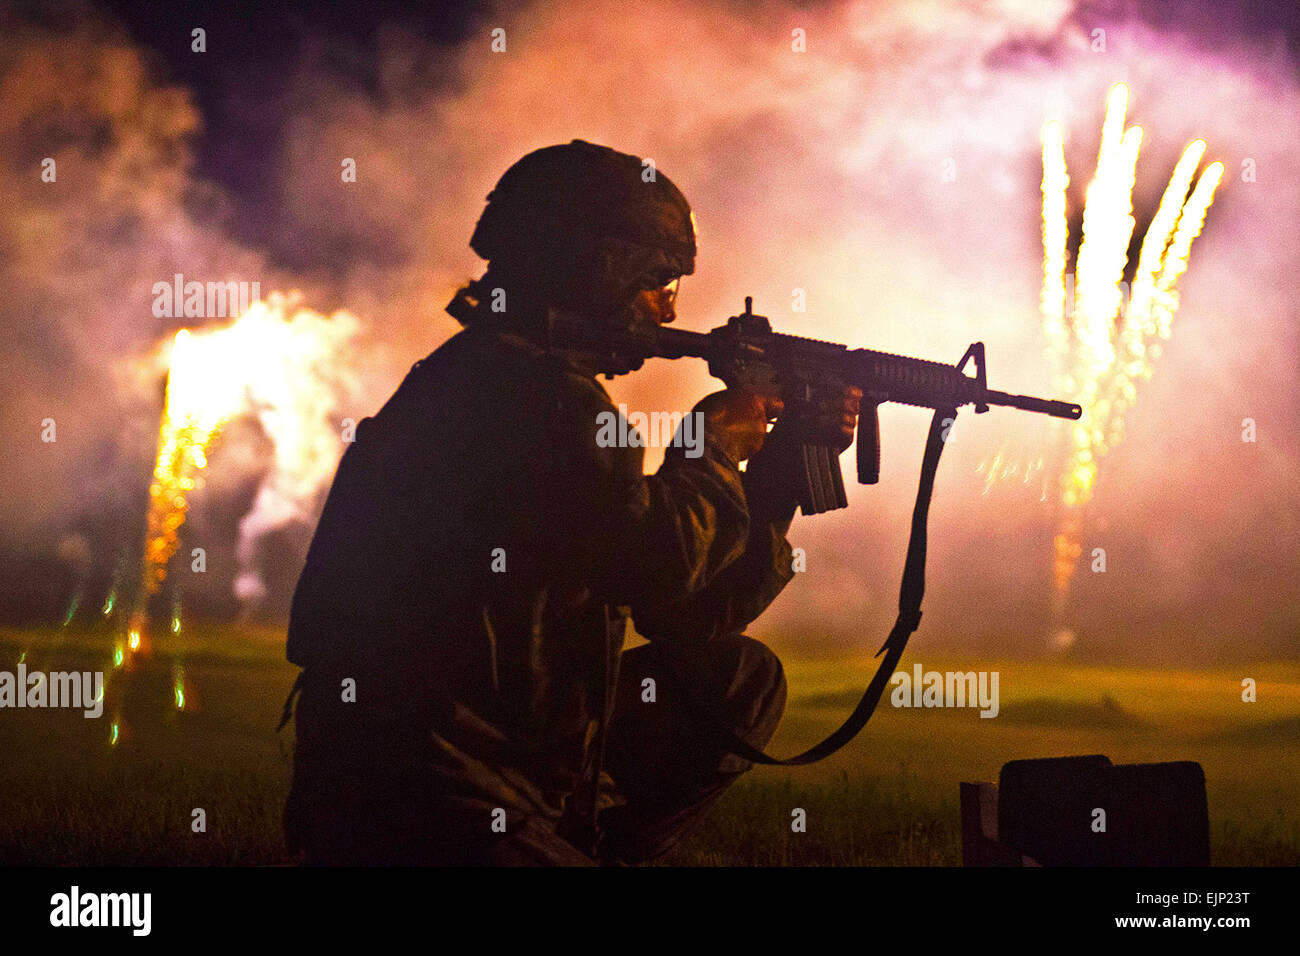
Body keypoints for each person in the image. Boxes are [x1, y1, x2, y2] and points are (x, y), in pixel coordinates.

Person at [282, 140, 861, 865]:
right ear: (596, 269)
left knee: (740, 679)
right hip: (423, 784)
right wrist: (712, 446)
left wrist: (771, 487)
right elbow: (658, 569)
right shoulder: (535, 396)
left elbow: (687, 618)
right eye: (656, 279)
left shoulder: (511, 379)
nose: (668, 307)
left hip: (501, 761)